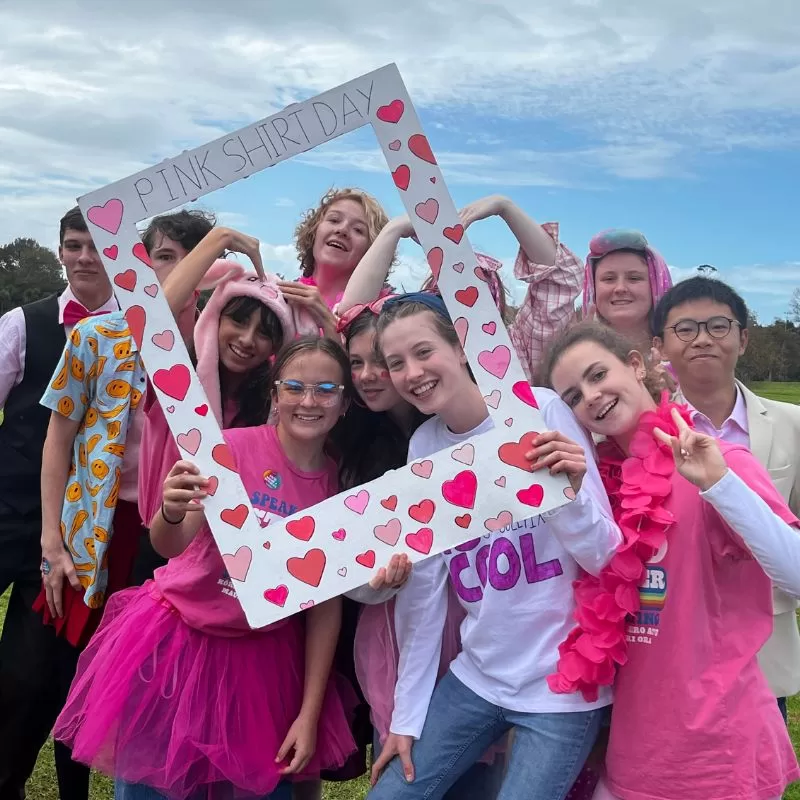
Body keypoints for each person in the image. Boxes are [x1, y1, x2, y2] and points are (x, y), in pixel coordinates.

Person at [54, 337, 365, 799]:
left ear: (344, 405)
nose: (308, 400)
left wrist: (309, 711)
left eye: (325, 389)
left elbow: (323, 607)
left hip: (263, 665)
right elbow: (168, 544)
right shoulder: (229, 451)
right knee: (151, 788)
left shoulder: (338, 489)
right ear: (274, 395)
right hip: (177, 645)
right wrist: (172, 510)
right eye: (295, 386)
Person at [367, 293, 622, 800]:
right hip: (476, 678)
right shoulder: (423, 445)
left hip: (560, 690)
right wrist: (407, 720)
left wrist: (564, 494)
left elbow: (605, 557)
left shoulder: (540, 407)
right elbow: (424, 596)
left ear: (462, 347)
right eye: (396, 363)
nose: (412, 372)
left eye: (424, 352)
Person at [542, 322, 800, 800]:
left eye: (599, 374)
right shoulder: (591, 493)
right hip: (631, 749)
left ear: (637, 366)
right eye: (574, 396)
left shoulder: (718, 461)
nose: (592, 397)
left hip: (715, 749)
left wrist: (719, 486)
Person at [0, 206, 118, 800]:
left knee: (46, 668)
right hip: (8, 510)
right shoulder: (23, 324)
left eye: (95, 246)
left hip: (80, 528)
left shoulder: (142, 335)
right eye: (74, 245)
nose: (84, 257)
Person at [652, 276, 800, 721]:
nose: (702, 339)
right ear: (660, 346)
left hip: (764, 648)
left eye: (718, 326)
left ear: (743, 339)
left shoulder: (792, 424)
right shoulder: (646, 430)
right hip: (672, 644)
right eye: (685, 328)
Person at [342, 195, 582, 383]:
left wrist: (504, 206)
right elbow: (353, 316)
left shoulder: (518, 345)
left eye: (480, 285)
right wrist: (392, 230)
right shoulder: (416, 358)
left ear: (496, 294)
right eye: (450, 292)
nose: (467, 301)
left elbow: (558, 280)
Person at [581, 229, 672, 355]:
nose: (620, 288)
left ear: (656, 285)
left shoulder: (684, 357)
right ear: (593, 289)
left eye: (634, 278)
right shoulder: (575, 356)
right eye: (609, 279)